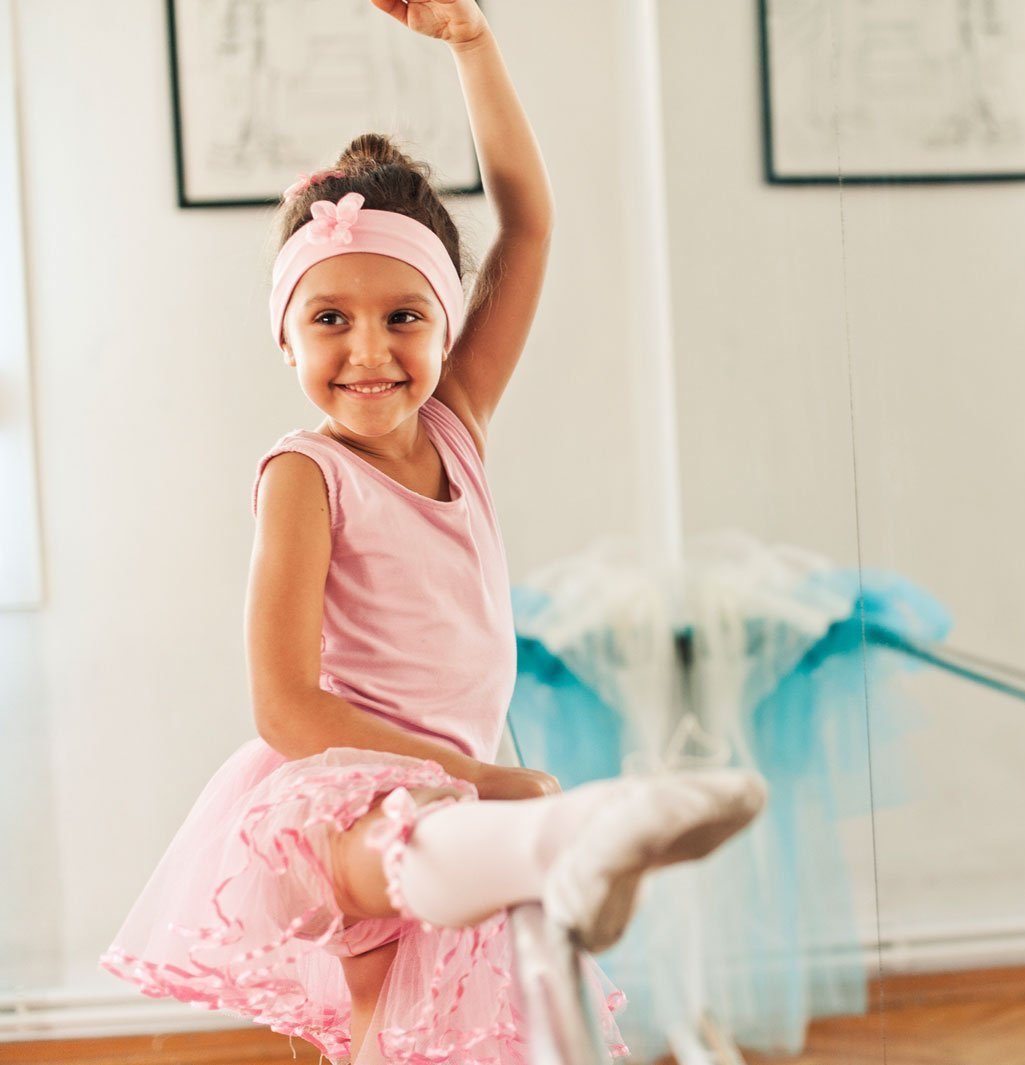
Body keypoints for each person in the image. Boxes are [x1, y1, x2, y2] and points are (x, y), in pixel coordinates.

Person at [99, 2, 765, 1061]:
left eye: (404, 315)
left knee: (417, 1042)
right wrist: (485, 783)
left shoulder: (457, 428)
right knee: (405, 844)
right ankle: (566, 835)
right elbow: (284, 705)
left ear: (448, 321)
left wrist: (473, 44)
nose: (370, 349)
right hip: (346, 787)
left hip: (466, 788)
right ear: (285, 339)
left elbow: (531, 224)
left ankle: (543, 850)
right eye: (329, 319)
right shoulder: (304, 475)